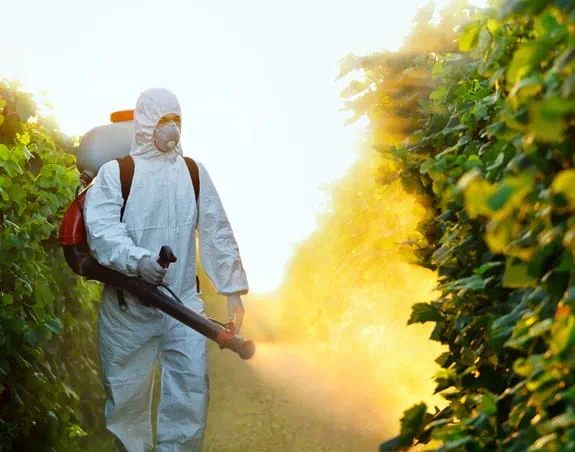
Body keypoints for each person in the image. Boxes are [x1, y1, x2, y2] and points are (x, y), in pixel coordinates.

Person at [83, 87, 249, 451]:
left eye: (176, 120)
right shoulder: (116, 174)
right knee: (127, 404)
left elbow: (216, 229)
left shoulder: (192, 173)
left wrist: (232, 288)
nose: (171, 129)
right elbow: (103, 232)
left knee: (189, 397)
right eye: (163, 121)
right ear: (144, 124)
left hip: (183, 305)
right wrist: (139, 262)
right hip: (129, 310)